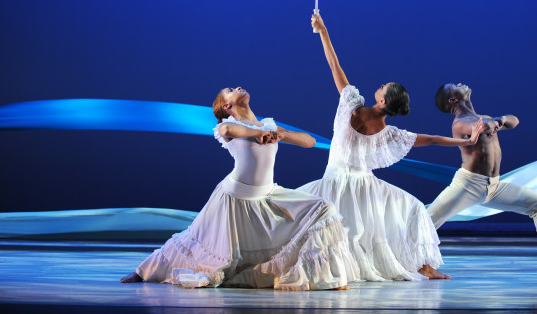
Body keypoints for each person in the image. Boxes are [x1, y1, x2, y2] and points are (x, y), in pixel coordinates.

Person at [120, 86, 359, 290]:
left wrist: (279, 134)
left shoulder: (268, 124)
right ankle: (144, 271)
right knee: (195, 245)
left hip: (267, 196)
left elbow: (310, 142)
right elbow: (228, 131)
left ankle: (330, 276)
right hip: (234, 199)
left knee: (323, 209)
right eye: (231, 91)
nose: (238, 88)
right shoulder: (229, 126)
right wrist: (259, 133)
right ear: (226, 106)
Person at [298, 14, 473, 281]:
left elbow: (334, 65)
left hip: (342, 181)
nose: (379, 86)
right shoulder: (384, 130)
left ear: (382, 101)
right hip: (352, 184)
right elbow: (434, 139)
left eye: (382, 87)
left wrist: (323, 31)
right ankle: (423, 266)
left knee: (406, 209)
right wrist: (465, 141)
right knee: (411, 208)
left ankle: (422, 266)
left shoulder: (352, 106)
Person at [429, 83, 537, 269]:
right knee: (428, 219)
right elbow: (482, 126)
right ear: (453, 100)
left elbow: (513, 121)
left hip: (495, 187)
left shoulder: (483, 117)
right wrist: (495, 123)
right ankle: (403, 261)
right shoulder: (459, 123)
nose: (460, 83)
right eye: (454, 86)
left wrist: (497, 121)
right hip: (468, 185)